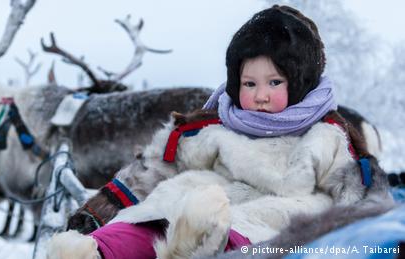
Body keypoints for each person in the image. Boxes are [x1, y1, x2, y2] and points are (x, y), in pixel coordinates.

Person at [47, 5, 392, 259]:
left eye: (274, 82)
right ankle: (96, 252)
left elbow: (357, 199)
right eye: (249, 83)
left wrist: (367, 239)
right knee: (138, 228)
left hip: (265, 227)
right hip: (179, 209)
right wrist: (93, 217)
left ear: (299, 82)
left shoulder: (326, 135)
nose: (260, 94)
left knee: (225, 233)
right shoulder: (214, 125)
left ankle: (195, 245)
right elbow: (153, 169)